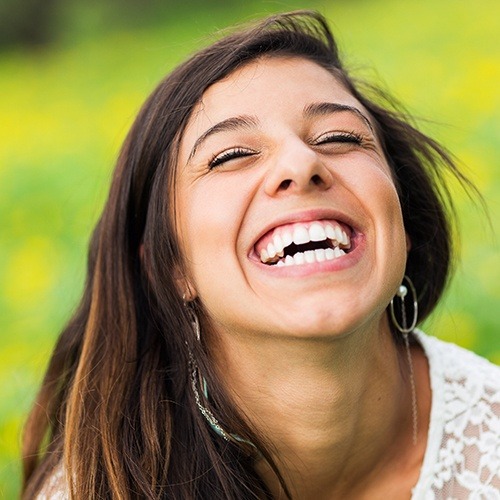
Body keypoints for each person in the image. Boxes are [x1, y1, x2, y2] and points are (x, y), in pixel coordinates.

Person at [22, 10, 499, 499]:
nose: (301, 162)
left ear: (403, 220)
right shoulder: (99, 488)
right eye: (231, 155)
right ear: (171, 268)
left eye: (339, 137)